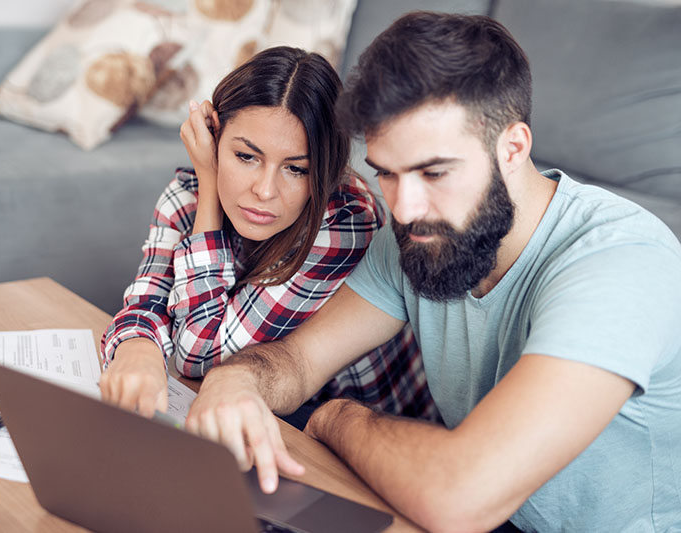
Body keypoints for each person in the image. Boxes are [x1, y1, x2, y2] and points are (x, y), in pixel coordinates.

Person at [183, 12, 681, 532]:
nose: (404, 207)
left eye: (434, 172)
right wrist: (236, 381)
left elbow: (460, 497)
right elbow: (300, 362)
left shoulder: (621, 264)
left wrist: (335, 417)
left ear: (512, 148)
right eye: (388, 174)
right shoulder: (419, 237)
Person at [99, 46, 435, 429]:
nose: (264, 190)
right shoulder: (185, 194)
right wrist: (136, 348)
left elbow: (202, 357)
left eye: (295, 169)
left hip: (356, 428)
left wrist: (211, 187)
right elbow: (146, 299)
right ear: (213, 138)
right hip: (267, 411)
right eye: (246, 157)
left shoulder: (345, 224)